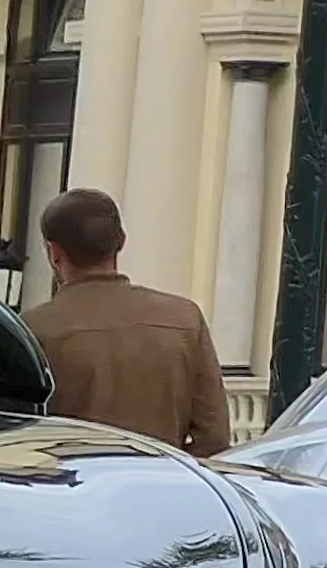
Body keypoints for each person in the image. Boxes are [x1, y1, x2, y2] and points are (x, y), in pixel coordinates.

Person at [23, 189, 229, 448]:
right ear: (121, 241)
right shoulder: (185, 318)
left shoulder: (32, 329)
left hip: (71, 481)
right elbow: (214, 437)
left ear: (54, 253)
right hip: (161, 481)